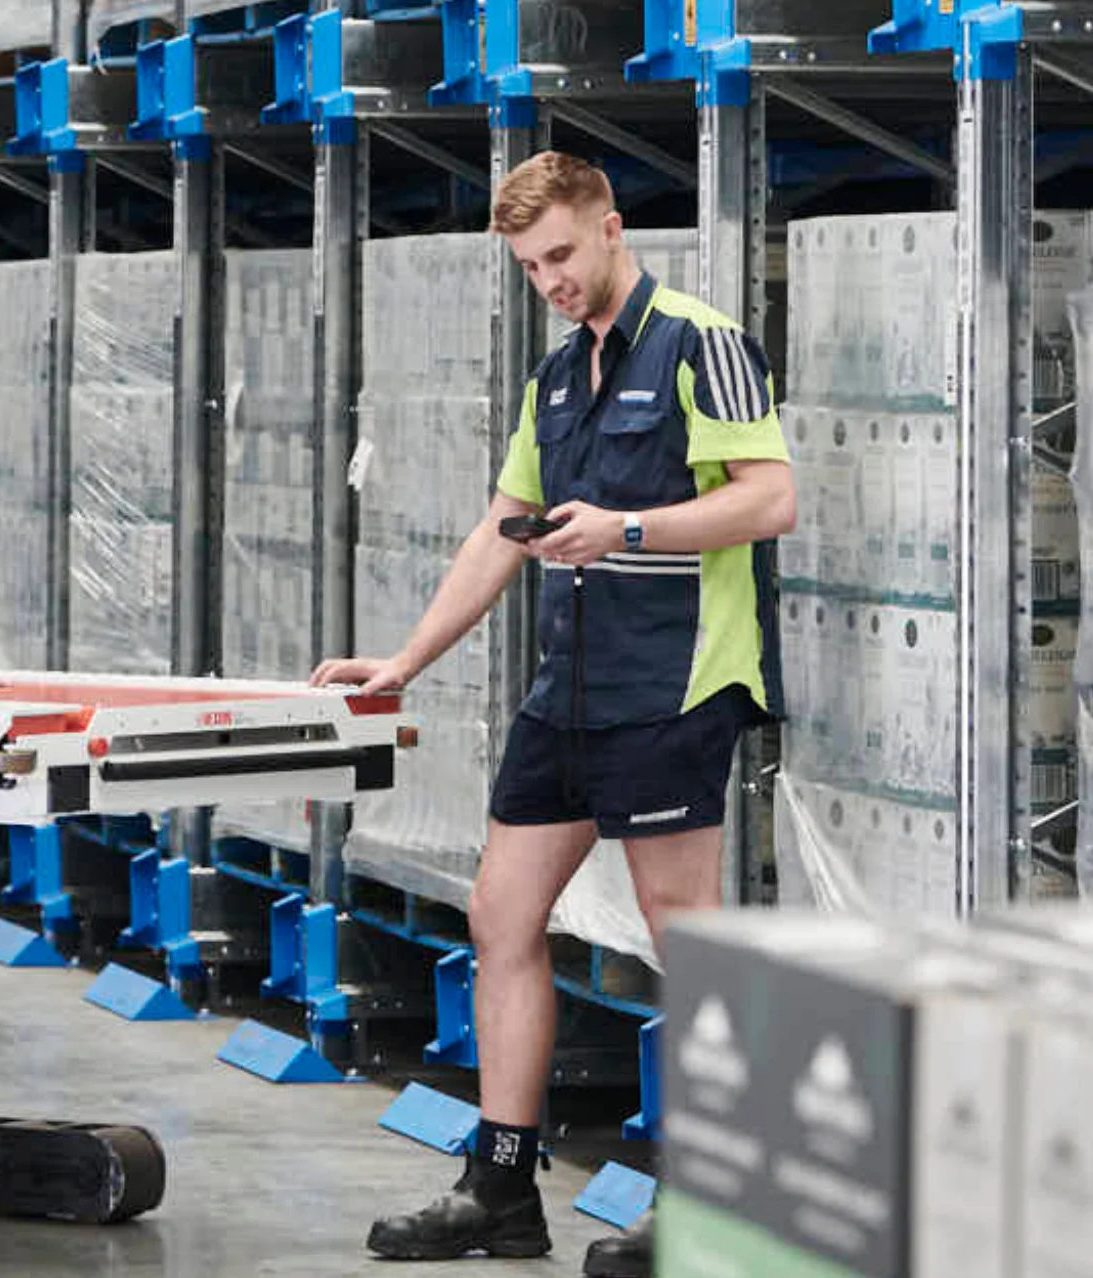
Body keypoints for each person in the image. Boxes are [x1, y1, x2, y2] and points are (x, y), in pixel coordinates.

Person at [312, 152, 795, 1277]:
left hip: (673, 684)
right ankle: (499, 1187)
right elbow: (503, 527)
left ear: (612, 226)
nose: (552, 282)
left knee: (687, 939)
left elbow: (770, 499)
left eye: (562, 256)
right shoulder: (556, 378)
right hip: (567, 689)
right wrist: (404, 662)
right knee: (500, 914)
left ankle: (709, 1200)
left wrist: (625, 529)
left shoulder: (703, 343)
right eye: (531, 268)